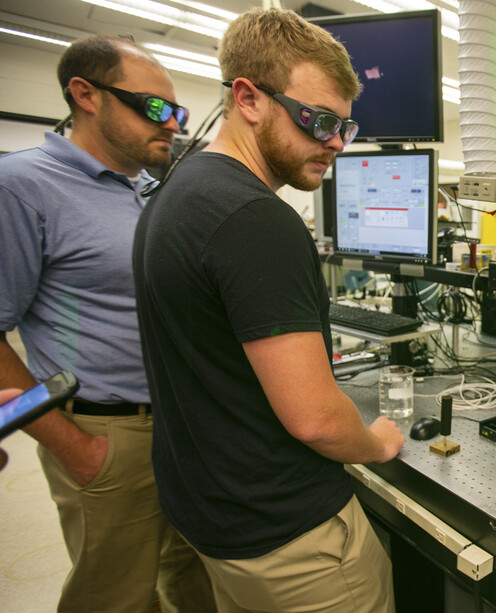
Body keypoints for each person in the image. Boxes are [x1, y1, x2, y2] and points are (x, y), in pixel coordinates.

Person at [133, 8, 405, 612]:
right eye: (318, 120)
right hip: (292, 541)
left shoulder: (175, 191)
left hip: (215, 518)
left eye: (346, 127)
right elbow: (315, 420)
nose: (335, 142)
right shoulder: (256, 219)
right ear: (249, 98)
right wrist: (377, 441)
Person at [0, 35, 214, 612]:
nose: (172, 124)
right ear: (85, 94)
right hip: (106, 432)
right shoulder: (22, 186)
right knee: (114, 597)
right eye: (155, 108)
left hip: (181, 427)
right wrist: (73, 447)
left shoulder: (148, 190)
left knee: (192, 581)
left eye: (179, 112)